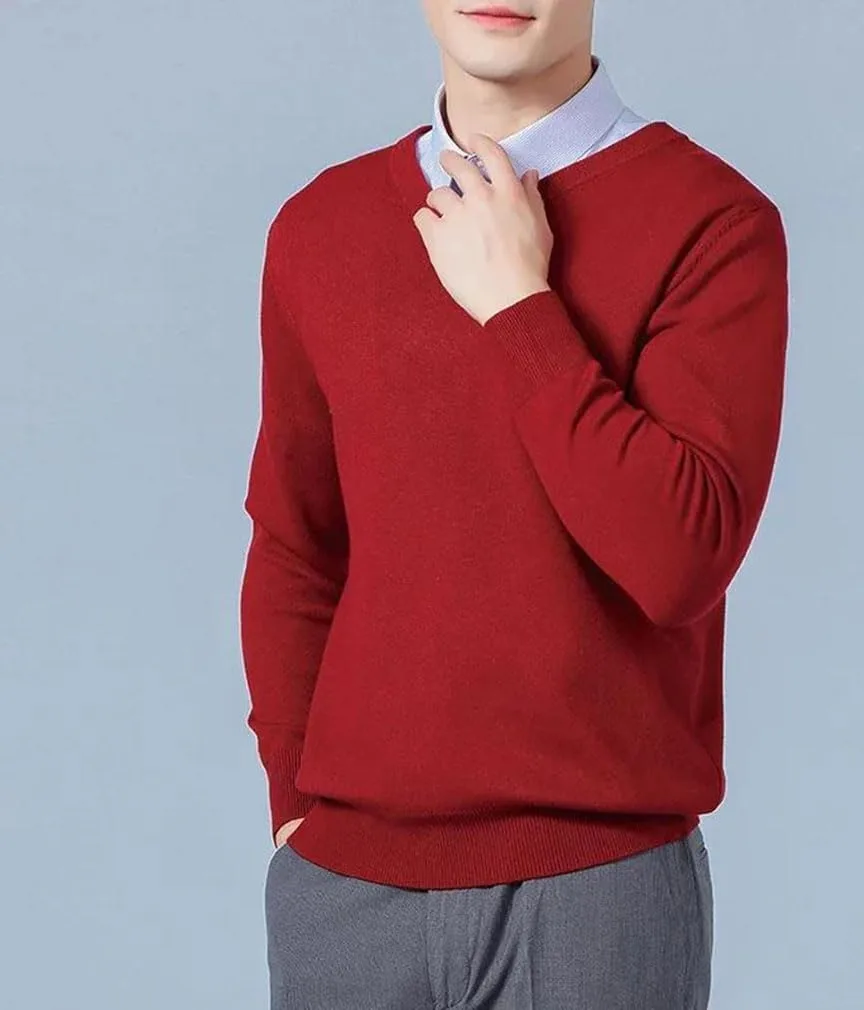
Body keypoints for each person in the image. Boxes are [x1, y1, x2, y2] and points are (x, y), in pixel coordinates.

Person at [239, 2, 789, 1007]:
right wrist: (293, 800)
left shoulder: (711, 220)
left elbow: (680, 559)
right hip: (346, 891)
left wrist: (519, 308)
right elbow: (296, 542)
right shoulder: (319, 226)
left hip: (595, 892)